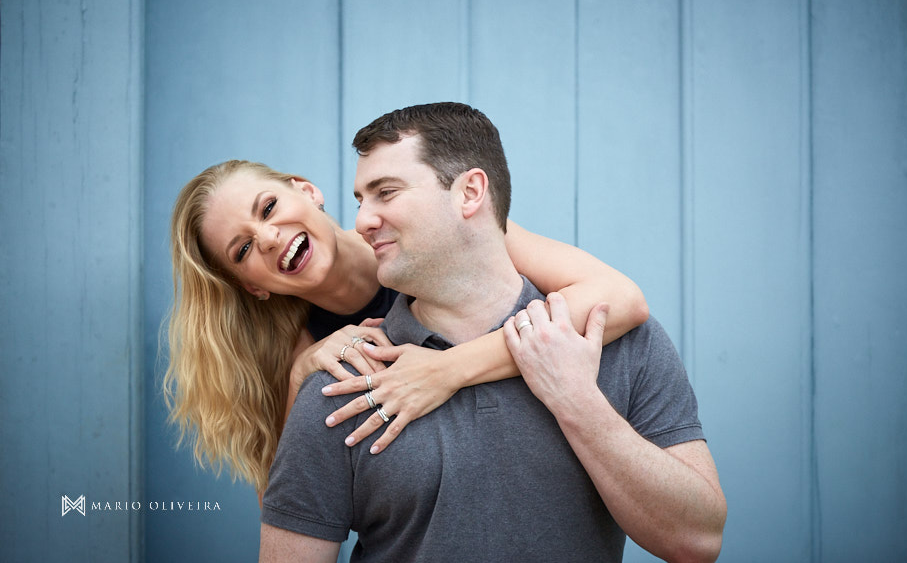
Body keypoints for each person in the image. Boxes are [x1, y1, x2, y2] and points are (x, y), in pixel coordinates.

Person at [259, 103, 726, 562]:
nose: (361, 221)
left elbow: (697, 542)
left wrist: (576, 401)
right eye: (362, 200)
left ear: (469, 192)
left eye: (387, 192)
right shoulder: (349, 382)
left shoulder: (614, 340)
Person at [165, 152, 648, 494]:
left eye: (268, 208)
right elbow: (294, 507)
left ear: (307, 191)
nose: (268, 237)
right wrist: (296, 377)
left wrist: (447, 370)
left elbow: (622, 300)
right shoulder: (306, 348)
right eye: (243, 249)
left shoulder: (431, 240)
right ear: (253, 286)